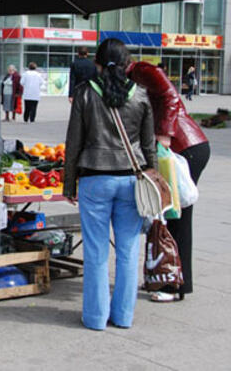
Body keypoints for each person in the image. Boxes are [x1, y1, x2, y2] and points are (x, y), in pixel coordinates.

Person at [63, 38, 156, 331]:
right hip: (132, 178)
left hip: (94, 178)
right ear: (128, 65)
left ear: (97, 64)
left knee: (96, 251)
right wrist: (152, 175)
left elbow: (73, 142)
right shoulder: (141, 95)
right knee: (128, 251)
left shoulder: (84, 93)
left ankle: (95, 318)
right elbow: (148, 144)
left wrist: (69, 184)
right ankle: (124, 316)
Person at [127, 61, 210, 303]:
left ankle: (175, 285)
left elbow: (170, 97)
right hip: (176, 149)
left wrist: (164, 135)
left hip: (184, 148)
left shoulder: (143, 70)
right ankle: (163, 275)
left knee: (176, 217)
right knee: (164, 215)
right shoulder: (131, 78)